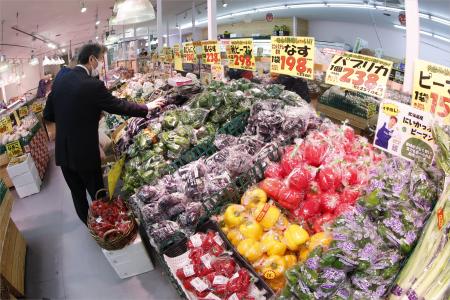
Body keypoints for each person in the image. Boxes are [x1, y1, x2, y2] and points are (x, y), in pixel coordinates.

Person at [43, 43, 159, 225]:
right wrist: (146, 107)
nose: (99, 66)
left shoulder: (60, 80)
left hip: (63, 153)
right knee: (98, 194)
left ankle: (90, 226)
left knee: (78, 195)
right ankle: (107, 229)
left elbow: (48, 114)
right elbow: (118, 106)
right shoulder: (92, 85)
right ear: (91, 59)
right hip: (85, 153)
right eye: (99, 61)